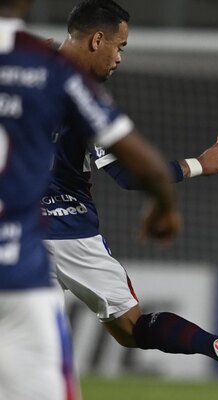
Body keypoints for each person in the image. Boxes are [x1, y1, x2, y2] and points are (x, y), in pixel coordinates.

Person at [42, 0, 218, 393]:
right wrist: (199, 164)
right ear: (98, 40)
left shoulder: (23, 67)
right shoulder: (85, 100)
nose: (119, 57)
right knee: (132, 328)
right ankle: (216, 346)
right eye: (119, 46)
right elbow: (131, 175)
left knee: (27, 345)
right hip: (71, 234)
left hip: (14, 233)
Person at [0, 0, 181, 398]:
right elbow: (141, 167)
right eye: (119, 46)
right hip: (19, 265)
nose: (119, 56)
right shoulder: (51, 72)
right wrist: (165, 206)